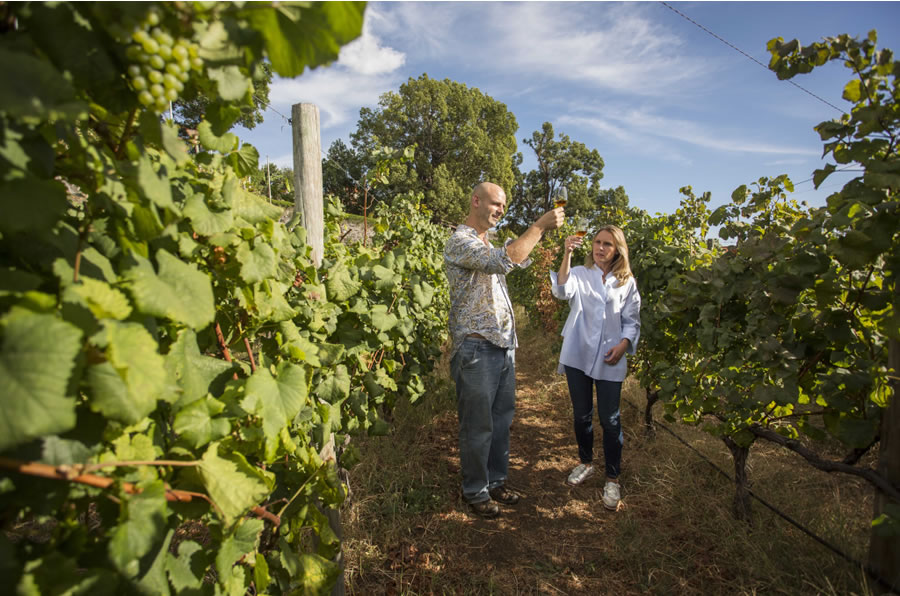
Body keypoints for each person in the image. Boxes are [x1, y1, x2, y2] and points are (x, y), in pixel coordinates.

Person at [444, 181, 564, 518]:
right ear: (476, 200)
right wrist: (539, 225)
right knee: (478, 425)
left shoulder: (487, 241)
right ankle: (475, 490)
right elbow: (504, 260)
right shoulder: (461, 242)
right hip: (477, 348)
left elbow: (516, 256)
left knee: (499, 423)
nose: (500, 211)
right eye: (496, 204)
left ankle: (496, 482)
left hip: (502, 347)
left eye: (503, 206)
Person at [550, 225, 641, 511]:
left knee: (611, 420)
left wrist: (624, 345)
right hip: (578, 354)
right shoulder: (579, 272)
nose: (600, 248)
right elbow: (562, 291)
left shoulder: (626, 281)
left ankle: (612, 478)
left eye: (607, 244)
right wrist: (566, 253)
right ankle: (586, 462)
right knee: (581, 415)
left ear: (618, 250)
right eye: (597, 243)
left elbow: (632, 320)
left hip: (609, 357)